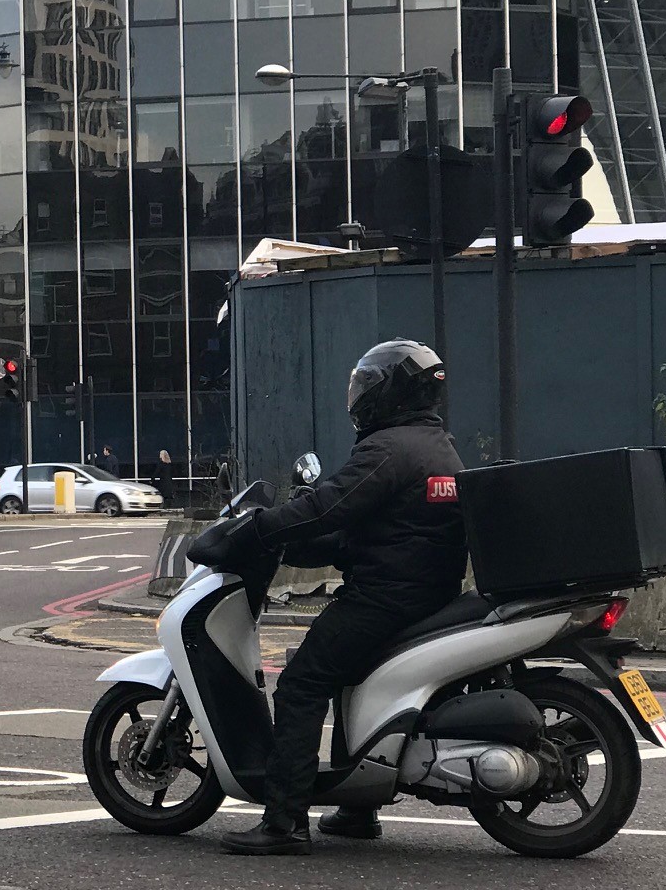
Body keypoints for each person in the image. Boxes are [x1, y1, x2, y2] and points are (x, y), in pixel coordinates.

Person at [189, 340, 465, 856]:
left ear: (393, 392)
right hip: (421, 587)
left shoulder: (388, 450)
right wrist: (298, 544)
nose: (358, 397)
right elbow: (375, 528)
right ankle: (358, 809)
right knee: (346, 675)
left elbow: (328, 506)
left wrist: (255, 529)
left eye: (366, 386)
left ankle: (285, 823)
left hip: (388, 596)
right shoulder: (432, 444)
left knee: (301, 682)